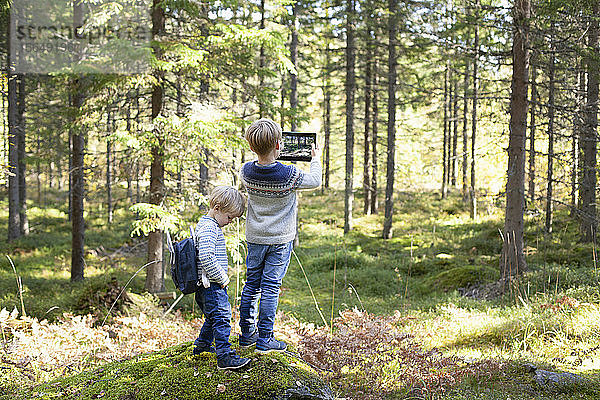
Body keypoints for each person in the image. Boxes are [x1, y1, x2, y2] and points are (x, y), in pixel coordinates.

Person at [238, 118, 321, 353]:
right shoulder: (289, 174)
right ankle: (265, 339)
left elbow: (264, 169)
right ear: (278, 145)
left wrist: (269, 155)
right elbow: (315, 180)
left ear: (252, 147)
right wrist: (314, 159)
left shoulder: (246, 171)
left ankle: (246, 335)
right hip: (280, 240)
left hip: (255, 237)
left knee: (252, 284)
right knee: (271, 286)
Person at [193, 185, 251, 370]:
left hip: (207, 284)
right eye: (229, 217)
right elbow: (207, 257)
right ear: (217, 208)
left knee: (212, 317)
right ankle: (225, 356)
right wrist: (223, 278)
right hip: (212, 285)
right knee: (223, 317)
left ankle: (202, 346)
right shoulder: (210, 228)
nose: (230, 222)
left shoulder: (206, 224)